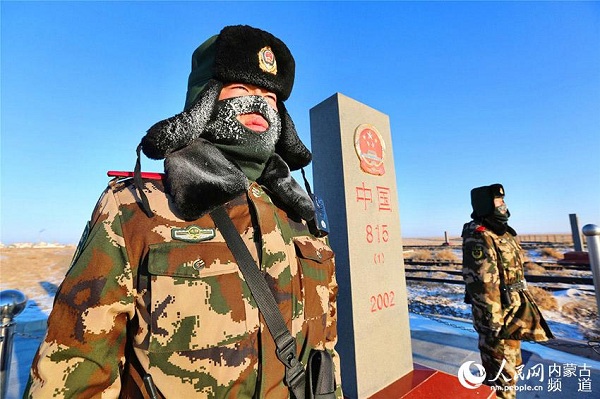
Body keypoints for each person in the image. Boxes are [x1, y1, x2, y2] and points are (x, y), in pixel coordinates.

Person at [24, 25, 342, 398]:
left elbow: (325, 349)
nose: (259, 104)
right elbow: (75, 367)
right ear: (204, 102)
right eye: (241, 90)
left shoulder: (299, 217)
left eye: (270, 96)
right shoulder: (137, 207)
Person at [461, 183, 553, 398]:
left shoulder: (504, 233)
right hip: (497, 315)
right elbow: (483, 282)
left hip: (514, 310)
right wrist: (493, 323)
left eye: (503, 201)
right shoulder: (480, 235)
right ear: (486, 205)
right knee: (501, 375)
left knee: (512, 367)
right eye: (498, 202)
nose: (504, 206)